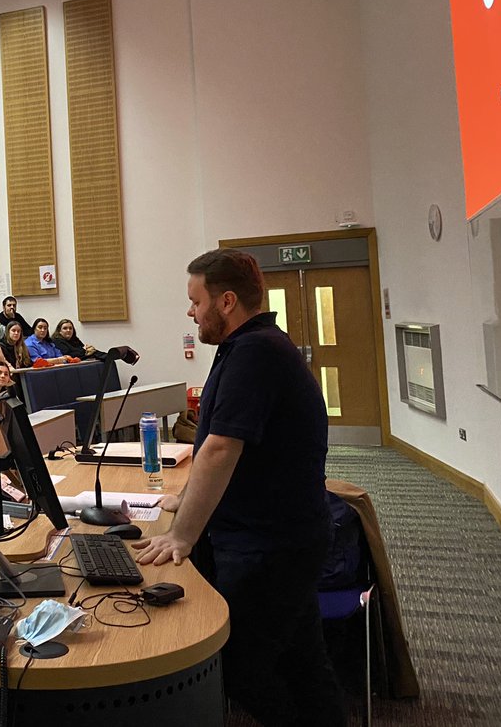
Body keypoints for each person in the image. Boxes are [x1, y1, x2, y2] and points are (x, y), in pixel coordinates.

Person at [132, 249, 343, 727]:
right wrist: (183, 500)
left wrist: (180, 535)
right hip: (281, 538)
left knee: (243, 669)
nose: (190, 312)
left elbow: (221, 449)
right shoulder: (249, 346)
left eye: (195, 301)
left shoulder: (256, 352)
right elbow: (218, 443)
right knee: (302, 661)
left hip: (269, 545)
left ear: (226, 301)